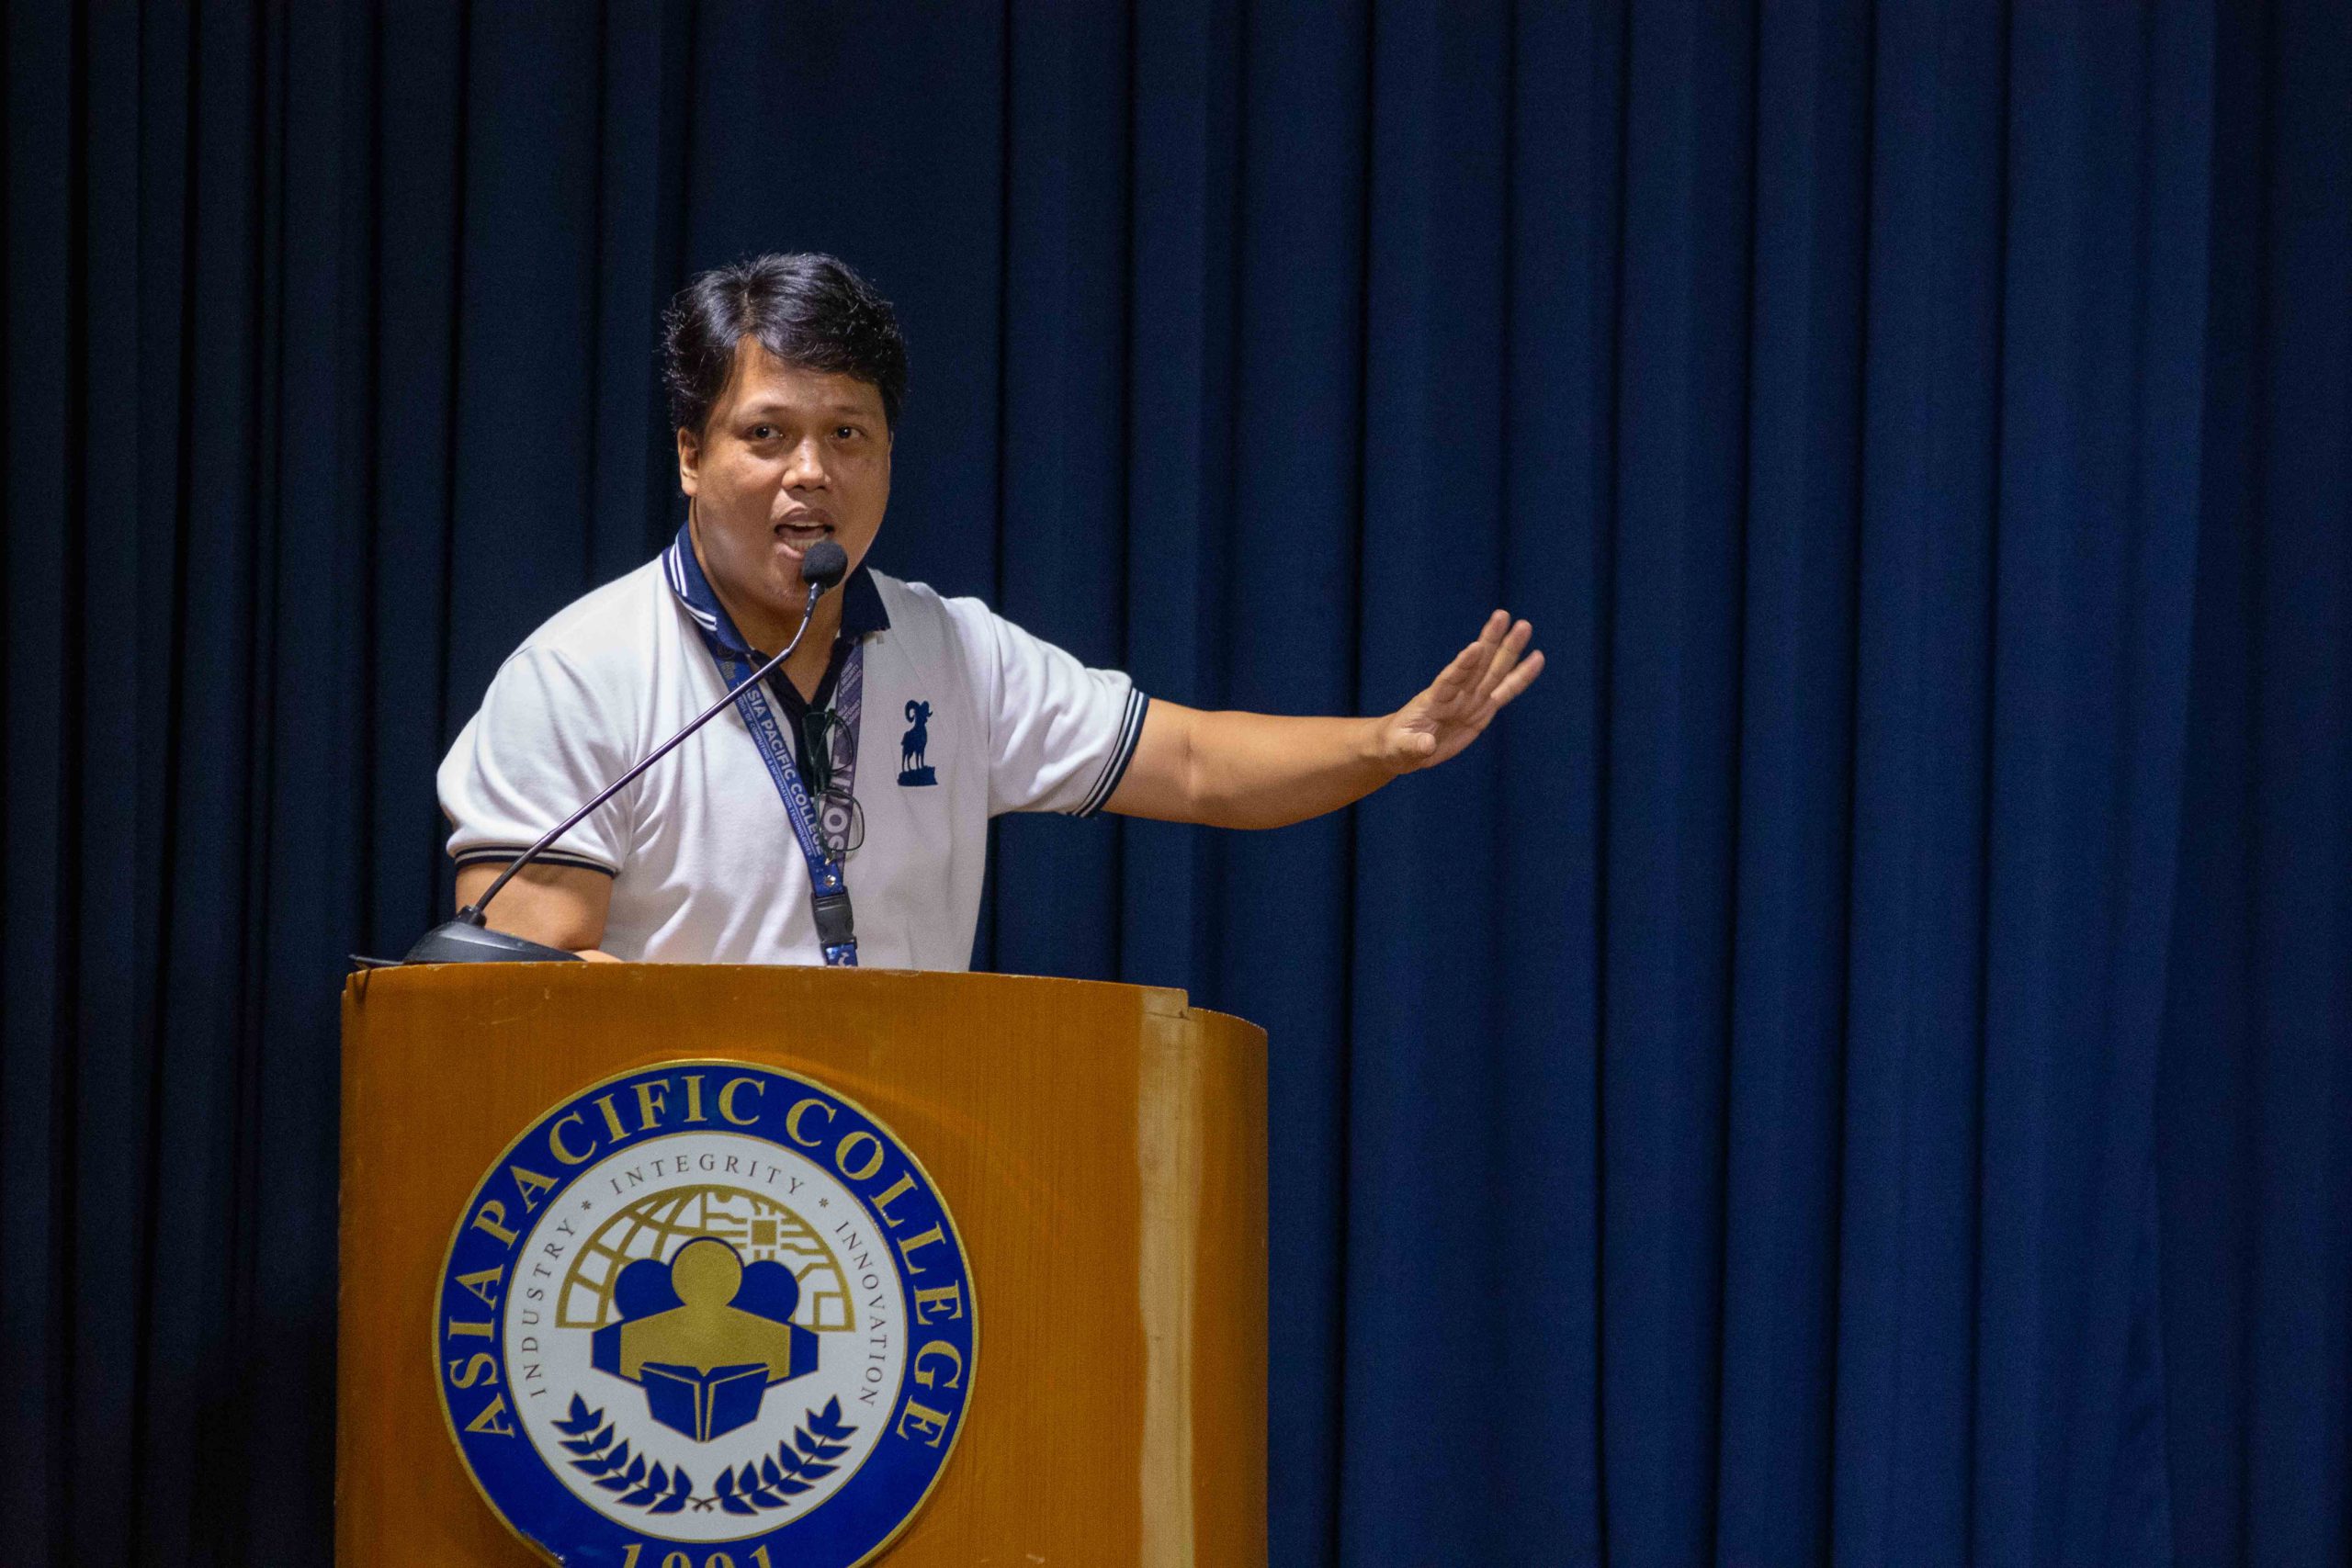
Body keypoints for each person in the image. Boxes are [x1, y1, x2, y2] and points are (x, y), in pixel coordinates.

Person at [439, 253, 1543, 964]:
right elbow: (528, 987)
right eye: (766, 434)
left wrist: (1384, 746)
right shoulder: (581, 673)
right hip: (672, 1184)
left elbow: (1198, 763)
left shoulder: (949, 652)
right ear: (690, 456)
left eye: (849, 435)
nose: (810, 473)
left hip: (895, 1189)